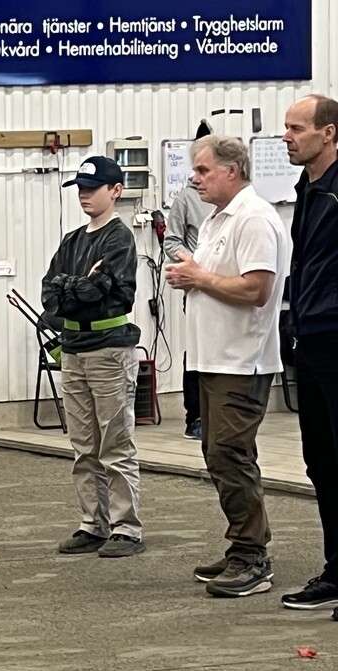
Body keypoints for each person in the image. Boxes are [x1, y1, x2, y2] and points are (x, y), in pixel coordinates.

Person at [165, 136, 287, 598]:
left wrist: (199, 276)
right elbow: (220, 280)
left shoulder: (254, 218)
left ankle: (252, 557)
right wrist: (194, 275)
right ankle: (242, 546)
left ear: (232, 170)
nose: (194, 178)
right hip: (214, 358)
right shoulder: (218, 219)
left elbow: (256, 289)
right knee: (218, 454)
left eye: (203, 170)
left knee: (230, 454)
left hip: (241, 360)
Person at [42, 156, 144, 558]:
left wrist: (75, 287)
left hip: (109, 350)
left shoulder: (120, 239)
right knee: (83, 444)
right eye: (81, 188)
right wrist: (80, 285)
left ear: (115, 191)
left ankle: (126, 528)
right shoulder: (71, 241)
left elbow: (99, 291)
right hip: (74, 349)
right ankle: (93, 524)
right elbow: (50, 296)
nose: (84, 195)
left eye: (92, 188)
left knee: (115, 442)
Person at [279, 94, 338, 615]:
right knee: (322, 463)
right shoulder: (308, 187)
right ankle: (337, 570)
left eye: (297, 128)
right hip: (311, 338)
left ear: (329, 133)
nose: (287, 137)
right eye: (287, 127)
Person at [164, 181, 211, 440]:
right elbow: (171, 242)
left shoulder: (238, 202)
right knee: (197, 350)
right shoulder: (186, 198)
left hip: (230, 286)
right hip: (197, 289)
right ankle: (195, 417)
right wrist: (195, 264)